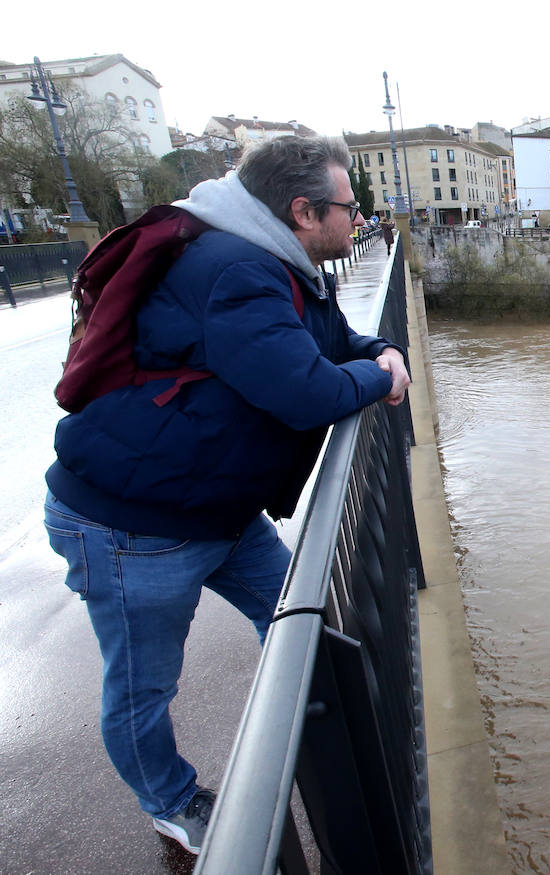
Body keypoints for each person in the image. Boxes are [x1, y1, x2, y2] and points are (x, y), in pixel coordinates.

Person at [42, 136, 410, 856]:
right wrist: (384, 377)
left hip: (216, 508)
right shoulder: (235, 269)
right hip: (130, 525)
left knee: (300, 622)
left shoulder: (280, 261)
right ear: (304, 211)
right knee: (144, 687)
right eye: (348, 206)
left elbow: (335, 343)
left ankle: (333, 739)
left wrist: (375, 352)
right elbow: (306, 391)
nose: (358, 216)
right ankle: (174, 802)